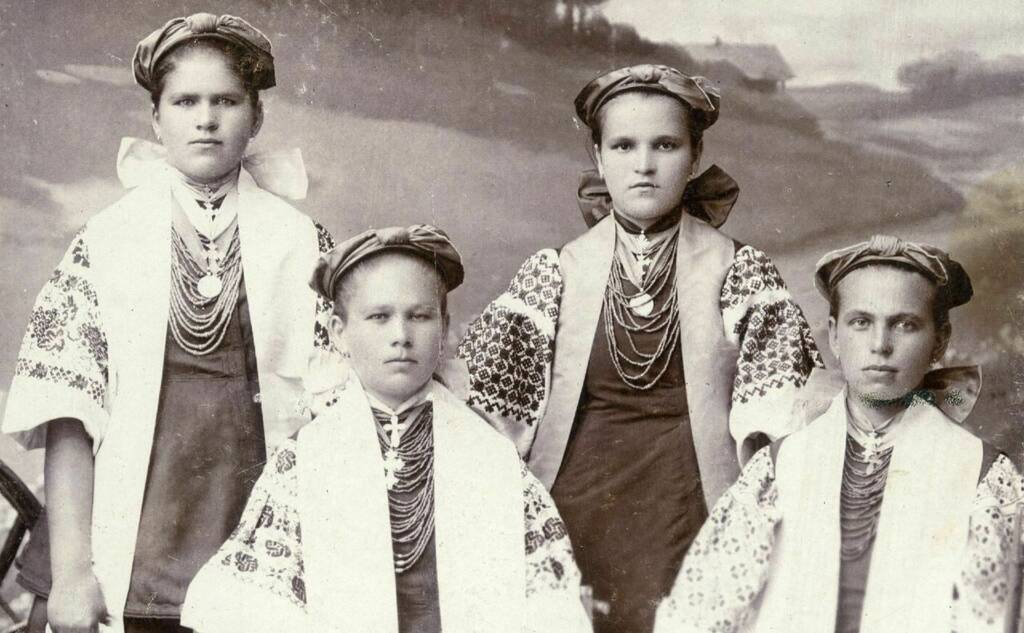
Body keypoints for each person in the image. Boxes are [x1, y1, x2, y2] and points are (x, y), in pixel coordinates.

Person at [457, 64, 822, 633]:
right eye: (623, 145)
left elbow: (782, 425)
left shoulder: (740, 273)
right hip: (575, 518)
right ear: (599, 158)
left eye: (666, 145)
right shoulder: (555, 273)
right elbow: (478, 416)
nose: (644, 164)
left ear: (695, 157)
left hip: (694, 515)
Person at [2, 13, 334, 633]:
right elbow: (70, 414)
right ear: (157, 118)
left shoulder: (303, 244)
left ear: (256, 116)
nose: (205, 118)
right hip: (127, 533)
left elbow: (335, 409)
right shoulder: (107, 241)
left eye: (226, 101)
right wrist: (74, 573)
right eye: (185, 101)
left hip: (251, 528)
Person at [179, 225, 593, 633]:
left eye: (420, 316)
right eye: (379, 317)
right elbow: (262, 603)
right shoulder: (305, 461)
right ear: (339, 333)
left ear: (444, 328)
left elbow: (542, 603)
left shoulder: (490, 457)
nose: (401, 336)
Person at [654, 234, 1022, 633]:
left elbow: (993, 620)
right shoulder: (778, 470)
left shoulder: (983, 478)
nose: (880, 345)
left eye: (905, 324)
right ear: (833, 334)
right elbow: (698, 613)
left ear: (940, 341)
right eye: (861, 323)